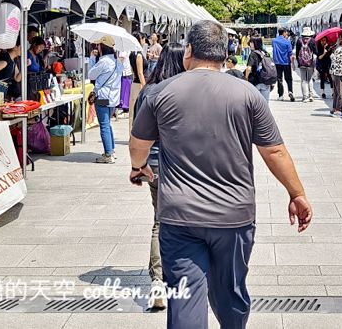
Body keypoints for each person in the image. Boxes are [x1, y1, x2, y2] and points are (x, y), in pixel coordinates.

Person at [129, 20, 311, 328]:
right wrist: (296, 194)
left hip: (180, 216)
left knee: (185, 299)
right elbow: (275, 151)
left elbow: (138, 144)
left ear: (189, 51)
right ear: (225, 54)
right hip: (234, 216)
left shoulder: (159, 93)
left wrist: (139, 167)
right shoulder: (247, 94)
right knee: (231, 292)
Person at [130, 44, 186, 309]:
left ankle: (158, 282)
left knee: (159, 221)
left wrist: (138, 166)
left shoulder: (148, 92)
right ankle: (183, 274)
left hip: (154, 165)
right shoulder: (184, 91)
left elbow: (137, 134)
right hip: (184, 167)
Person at [89, 39, 123, 164]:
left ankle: (108, 154)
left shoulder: (104, 61)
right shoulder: (117, 61)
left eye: (98, 45)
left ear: (102, 46)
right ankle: (111, 150)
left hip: (103, 97)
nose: (97, 47)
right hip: (113, 97)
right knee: (107, 124)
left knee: (104, 125)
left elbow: (91, 75)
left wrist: (92, 58)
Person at [128, 33, 148, 132]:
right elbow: (140, 73)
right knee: (139, 111)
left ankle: (131, 133)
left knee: (132, 111)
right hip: (140, 84)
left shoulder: (131, 54)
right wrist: (145, 87)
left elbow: (132, 71)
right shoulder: (138, 55)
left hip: (134, 84)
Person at [245, 36, 271, 101]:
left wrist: (246, 78)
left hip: (255, 82)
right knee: (265, 104)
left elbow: (248, 68)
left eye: (251, 42)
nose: (249, 44)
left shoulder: (253, 54)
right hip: (266, 81)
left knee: (254, 105)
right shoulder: (266, 53)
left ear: (254, 43)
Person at [272, 28, 295, 101]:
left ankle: (281, 95)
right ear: (284, 33)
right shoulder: (287, 42)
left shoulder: (274, 41)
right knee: (289, 78)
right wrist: (293, 64)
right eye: (286, 33)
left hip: (277, 62)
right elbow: (290, 54)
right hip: (286, 62)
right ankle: (290, 91)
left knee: (279, 79)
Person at [295, 27, 316, 102]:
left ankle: (305, 97)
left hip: (302, 63)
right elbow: (315, 52)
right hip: (310, 63)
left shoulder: (299, 40)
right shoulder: (312, 41)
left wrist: (298, 62)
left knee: (303, 80)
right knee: (310, 79)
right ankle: (311, 95)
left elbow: (297, 53)